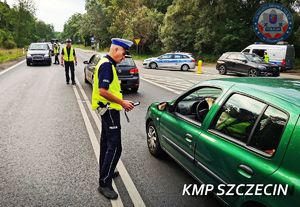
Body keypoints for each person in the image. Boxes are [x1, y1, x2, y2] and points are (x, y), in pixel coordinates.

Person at [92, 38, 135, 200]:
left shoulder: (106, 62)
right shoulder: (107, 65)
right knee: (115, 147)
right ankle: (104, 183)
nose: (124, 57)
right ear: (116, 50)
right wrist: (122, 102)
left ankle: (106, 171)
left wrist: (122, 101)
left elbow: (110, 89)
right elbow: (103, 91)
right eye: (123, 54)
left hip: (107, 109)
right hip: (109, 110)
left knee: (105, 144)